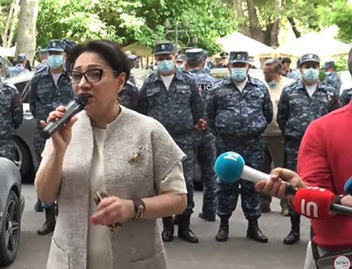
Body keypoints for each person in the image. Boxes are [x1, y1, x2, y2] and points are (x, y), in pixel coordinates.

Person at [35, 39, 187, 269]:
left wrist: (133, 208)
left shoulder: (148, 130)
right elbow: (45, 195)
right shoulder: (66, 127)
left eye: (94, 74)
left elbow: (178, 199)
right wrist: (58, 150)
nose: (83, 84)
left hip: (136, 259)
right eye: (77, 75)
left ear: (120, 81)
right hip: (69, 260)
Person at [137, 42, 203, 243]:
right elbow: (142, 110)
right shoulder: (150, 83)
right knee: (162, 182)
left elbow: (198, 108)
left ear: (176, 57)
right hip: (159, 140)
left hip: (184, 138)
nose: (164, 61)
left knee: (186, 183)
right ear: (155, 60)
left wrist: (190, 129)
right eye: (160, 58)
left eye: (168, 57)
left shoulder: (188, 81)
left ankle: (185, 226)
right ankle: (167, 227)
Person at [206, 51, 272, 243]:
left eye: (242, 65)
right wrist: (223, 133)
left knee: (253, 184)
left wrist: (253, 128)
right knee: (226, 184)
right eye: (235, 65)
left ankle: (253, 226)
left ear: (249, 67)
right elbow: (210, 116)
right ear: (228, 67)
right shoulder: (218, 89)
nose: (239, 69)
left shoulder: (260, 87)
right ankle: (223, 224)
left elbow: (267, 114)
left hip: (254, 145)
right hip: (227, 144)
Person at [277, 53, 340, 245]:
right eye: (307, 66)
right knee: (293, 187)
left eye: (314, 65)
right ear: (300, 68)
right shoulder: (289, 91)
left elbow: (335, 117)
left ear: (319, 68)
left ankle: (317, 230)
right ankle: (294, 229)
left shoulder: (329, 92)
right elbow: (282, 117)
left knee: (320, 188)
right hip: (296, 144)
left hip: (323, 148)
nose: (311, 69)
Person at [29, 39, 74, 234]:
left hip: (69, 134)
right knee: (46, 172)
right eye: (51, 53)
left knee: (68, 174)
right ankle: (49, 219)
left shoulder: (73, 77)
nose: (54, 57)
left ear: (65, 55)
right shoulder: (39, 78)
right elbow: (32, 103)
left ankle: (66, 218)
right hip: (45, 134)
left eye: (58, 53)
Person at [185, 48, 218, 221]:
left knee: (186, 174)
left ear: (186, 62)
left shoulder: (184, 81)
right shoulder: (214, 82)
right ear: (203, 62)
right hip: (209, 132)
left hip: (189, 132)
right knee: (210, 173)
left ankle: (184, 213)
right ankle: (210, 211)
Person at [260, 59, 294, 214]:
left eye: (269, 73)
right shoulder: (261, 85)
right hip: (261, 134)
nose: (265, 75)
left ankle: (285, 204)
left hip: (279, 134)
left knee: (281, 170)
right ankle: (264, 202)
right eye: (264, 72)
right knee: (262, 170)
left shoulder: (289, 86)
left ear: (279, 72)